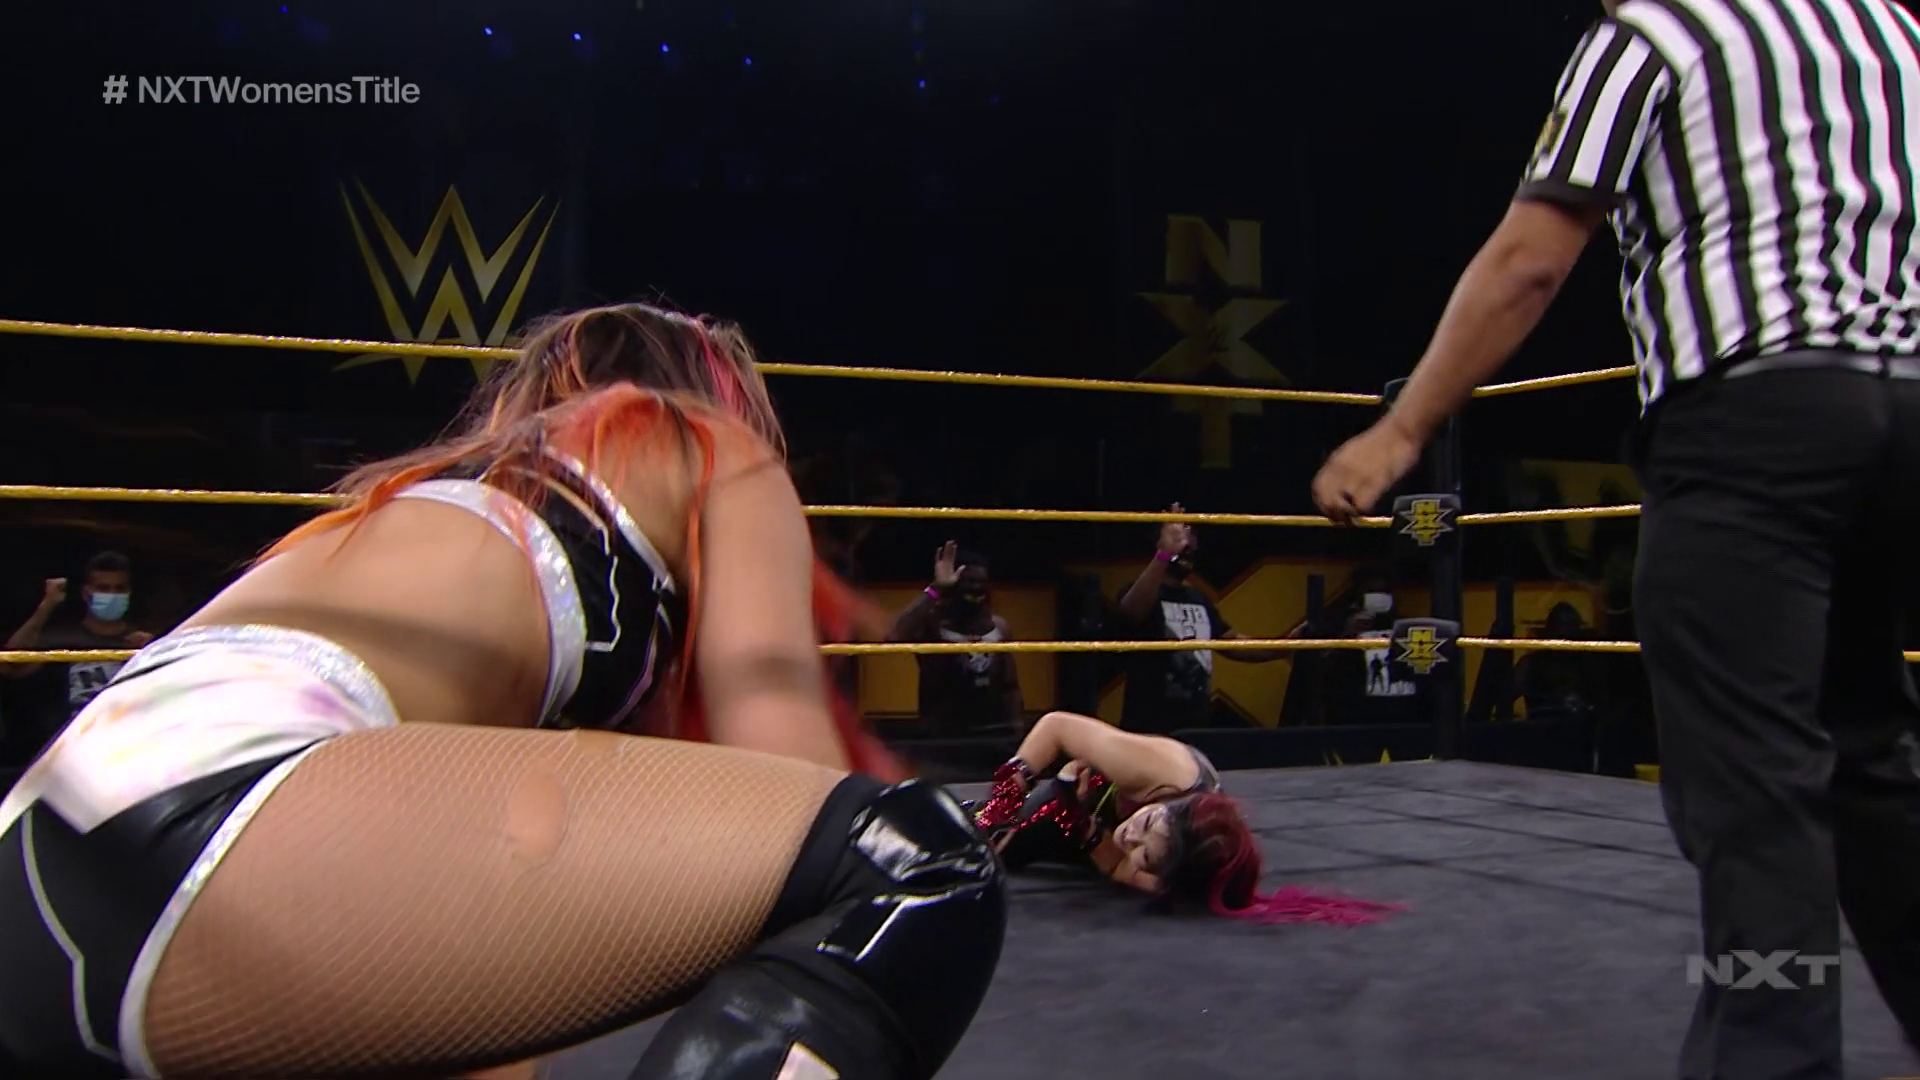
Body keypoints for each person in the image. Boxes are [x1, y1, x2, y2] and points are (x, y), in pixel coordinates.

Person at [0, 303, 1005, 1080]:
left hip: (55, 850)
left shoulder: (446, 510)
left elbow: (480, 997)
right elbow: (794, 790)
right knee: (910, 861)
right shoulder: (704, 448)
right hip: (216, 808)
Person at [1310, 2, 1920, 1076]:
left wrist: (1405, 427)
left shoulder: (1652, 39)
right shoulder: (1890, 28)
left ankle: (1775, 1059)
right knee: (1872, 755)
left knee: (1754, 781)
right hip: (1903, 418)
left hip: (1754, 421)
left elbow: (1529, 262)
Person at [969, 709, 1401, 924]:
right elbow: (1056, 725)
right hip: (1097, 780)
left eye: (1145, 854)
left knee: (992, 856)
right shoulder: (1155, 769)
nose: (1130, 839)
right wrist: (1003, 804)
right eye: (1147, 827)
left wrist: (1076, 821)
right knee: (984, 834)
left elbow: (1120, 866)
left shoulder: (1174, 867)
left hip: (1083, 809)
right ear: (1171, 805)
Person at [1113, 504, 1290, 733]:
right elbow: (1131, 613)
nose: (1189, 544)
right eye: (1180, 535)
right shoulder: (1139, 592)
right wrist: (1164, 554)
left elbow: (1231, 643)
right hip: (1149, 728)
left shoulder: (1198, 598)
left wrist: (1286, 646)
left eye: (1192, 535)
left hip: (1195, 727)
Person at [0, 554, 154, 764]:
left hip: (130, 750)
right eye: (103, 588)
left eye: (119, 589)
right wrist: (47, 605)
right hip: (70, 753)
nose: (112, 595)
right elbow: (9, 666)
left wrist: (154, 649)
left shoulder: (144, 643)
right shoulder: (64, 640)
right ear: (86, 593)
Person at [887, 541, 1024, 738]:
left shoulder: (999, 627)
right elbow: (894, 636)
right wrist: (936, 588)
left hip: (993, 734)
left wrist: (1017, 732)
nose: (976, 589)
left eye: (981, 583)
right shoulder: (933, 625)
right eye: (969, 582)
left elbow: (1010, 687)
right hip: (943, 738)